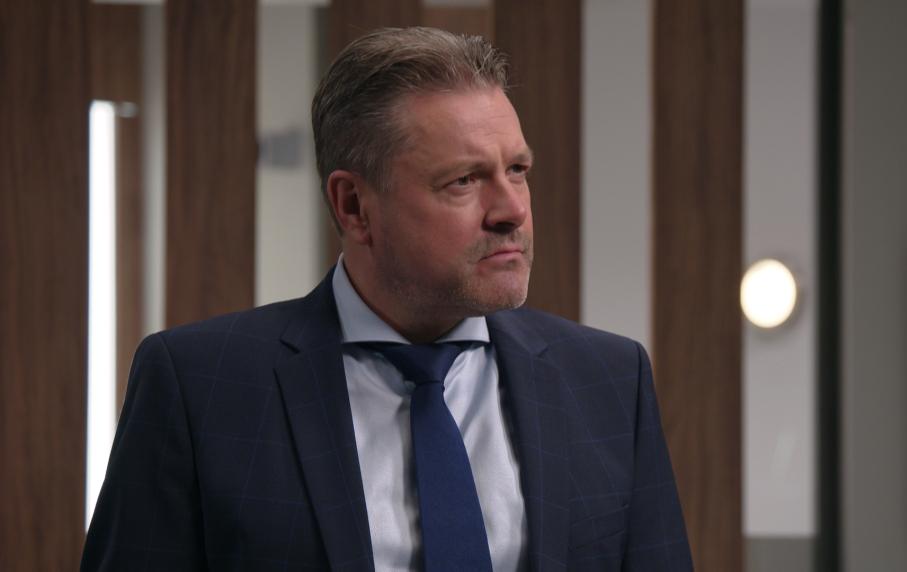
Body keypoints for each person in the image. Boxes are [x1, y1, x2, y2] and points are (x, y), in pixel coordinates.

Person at [81, 27, 693, 572]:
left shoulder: (609, 379)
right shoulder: (199, 385)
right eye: (464, 180)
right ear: (354, 206)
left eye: (517, 170)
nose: (512, 210)